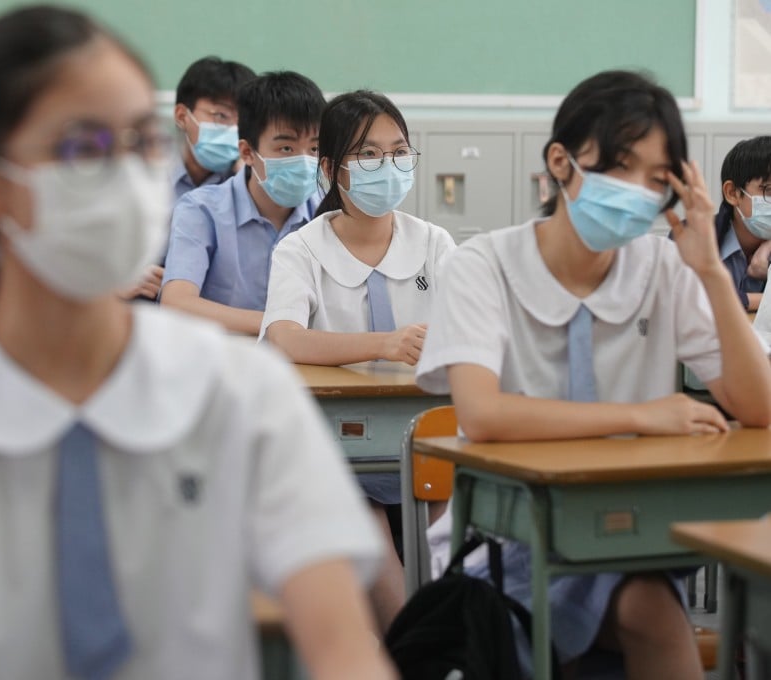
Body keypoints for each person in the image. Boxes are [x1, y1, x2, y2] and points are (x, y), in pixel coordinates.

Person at [0, 7, 396, 680]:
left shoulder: (246, 395)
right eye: (83, 149)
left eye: (140, 143)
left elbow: (344, 653)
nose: (125, 177)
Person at [416, 70, 771, 679]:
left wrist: (712, 271)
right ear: (561, 161)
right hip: (507, 545)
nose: (637, 190)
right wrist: (642, 417)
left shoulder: (664, 265)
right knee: (651, 612)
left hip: (637, 532)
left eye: (657, 180)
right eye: (620, 167)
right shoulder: (483, 265)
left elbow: (759, 408)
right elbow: (482, 414)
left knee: (649, 603)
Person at [260, 90, 455, 631]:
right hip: (339, 454)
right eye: (369, 155)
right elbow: (285, 338)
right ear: (331, 168)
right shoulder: (301, 249)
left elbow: (475, 332)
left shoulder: (434, 243)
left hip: (428, 439)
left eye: (399, 152)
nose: (386, 166)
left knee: (446, 559)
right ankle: (415, 657)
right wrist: (383, 344)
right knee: (383, 570)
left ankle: (439, 653)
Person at [160, 71, 324, 335]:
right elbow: (177, 303)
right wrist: (281, 328)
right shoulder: (201, 210)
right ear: (247, 152)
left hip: (310, 364)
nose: (304, 160)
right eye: (286, 149)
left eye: (314, 149)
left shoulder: (328, 214)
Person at [172, 55, 256, 200]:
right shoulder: (150, 173)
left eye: (242, 120)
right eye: (221, 115)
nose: (234, 130)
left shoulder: (248, 180)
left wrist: (251, 184)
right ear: (182, 116)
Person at [712, 135, 771, 310]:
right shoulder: (692, 236)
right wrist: (763, 301)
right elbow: (693, 298)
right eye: (769, 190)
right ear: (732, 193)